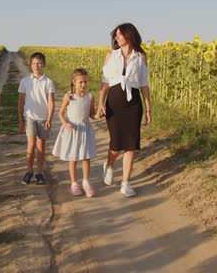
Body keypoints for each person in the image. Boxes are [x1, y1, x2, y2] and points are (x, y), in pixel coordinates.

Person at [96, 23, 151, 197]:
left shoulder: (140, 56)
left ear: (129, 35)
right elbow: (105, 82)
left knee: (131, 145)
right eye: (116, 35)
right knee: (116, 144)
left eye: (120, 35)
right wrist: (100, 103)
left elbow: (144, 84)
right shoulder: (111, 55)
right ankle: (110, 165)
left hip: (133, 104)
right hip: (114, 102)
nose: (117, 38)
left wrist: (148, 108)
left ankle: (126, 183)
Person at [52, 68, 97, 197]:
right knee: (73, 157)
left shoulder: (90, 97)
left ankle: (86, 182)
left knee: (86, 156)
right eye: (81, 82)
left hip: (84, 130)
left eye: (85, 82)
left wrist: (99, 115)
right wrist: (65, 123)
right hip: (72, 130)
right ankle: (74, 183)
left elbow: (92, 114)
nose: (84, 85)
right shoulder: (69, 96)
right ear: (74, 82)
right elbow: (60, 113)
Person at [18, 52, 56, 185]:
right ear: (30, 65)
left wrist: (50, 119)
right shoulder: (25, 81)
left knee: (41, 147)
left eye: (39, 63)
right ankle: (29, 171)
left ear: (44, 65)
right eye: (34, 63)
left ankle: (39, 173)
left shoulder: (48, 82)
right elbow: (21, 102)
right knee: (31, 145)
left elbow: (51, 102)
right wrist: (21, 120)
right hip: (30, 117)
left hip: (43, 118)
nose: (36, 66)